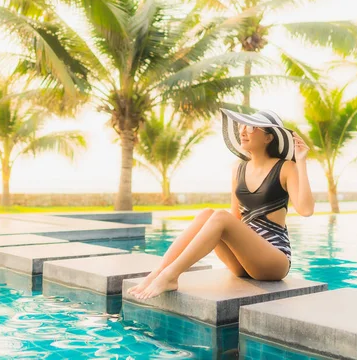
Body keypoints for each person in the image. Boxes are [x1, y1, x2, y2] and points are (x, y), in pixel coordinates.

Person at [129, 108, 315, 299]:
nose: (242, 131)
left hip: (273, 261)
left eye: (251, 128)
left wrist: (301, 161)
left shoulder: (285, 167)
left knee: (219, 216)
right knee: (207, 214)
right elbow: (236, 218)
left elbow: (306, 209)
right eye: (242, 126)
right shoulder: (238, 169)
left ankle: (171, 275)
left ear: (269, 138)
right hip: (243, 263)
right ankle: (158, 272)